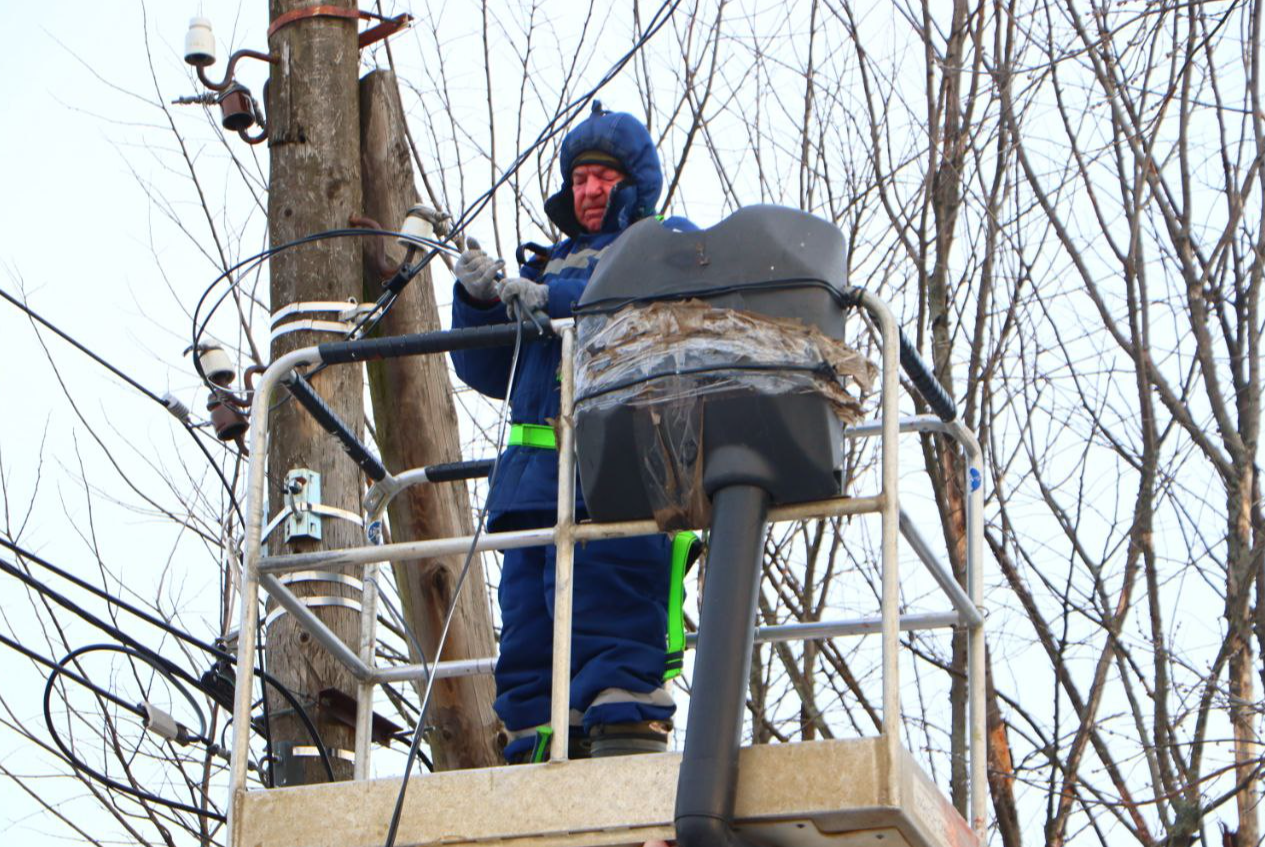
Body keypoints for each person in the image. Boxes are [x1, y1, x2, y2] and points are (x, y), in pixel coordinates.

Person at [450, 104, 697, 764]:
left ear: (633, 182)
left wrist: (549, 301)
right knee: (528, 631)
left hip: (620, 475)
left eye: (604, 177)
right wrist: (478, 301)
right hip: (533, 485)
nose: (588, 191)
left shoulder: (666, 244)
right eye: (580, 177)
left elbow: (639, 303)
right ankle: (535, 752)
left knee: (614, 616)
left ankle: (620, 748)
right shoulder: (547, 264)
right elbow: (485, 369)